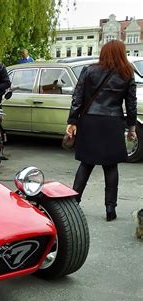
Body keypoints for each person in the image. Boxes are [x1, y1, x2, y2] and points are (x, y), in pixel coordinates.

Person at [66, 40, 137, 221]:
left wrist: (72, 121)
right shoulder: (127, 73)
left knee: (86, 164)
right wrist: (132, 127)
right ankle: (110, 209)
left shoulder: (89, 70)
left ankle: (74, 204)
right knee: (111, 166)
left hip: (90, 120)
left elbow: (78, 96)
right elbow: (131, 104)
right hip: (113, 122)